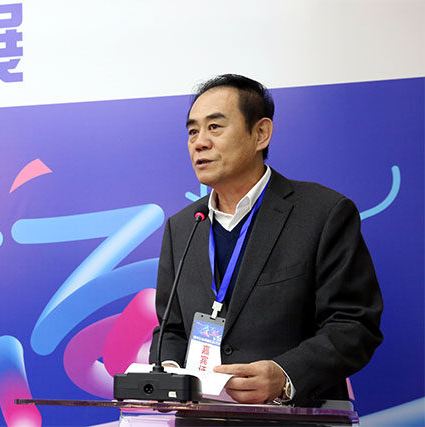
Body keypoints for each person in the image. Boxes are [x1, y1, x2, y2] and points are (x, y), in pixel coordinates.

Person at [148, 74, 383, 405]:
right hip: (202, 416)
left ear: (260, 133)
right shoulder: (183, 226)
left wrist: (285, 375)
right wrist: (169, 375)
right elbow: (170, 329)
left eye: (214, 127)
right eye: (192, 131)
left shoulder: (323, 213)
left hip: (294, 416)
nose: (200, 142)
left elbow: (353, 324)